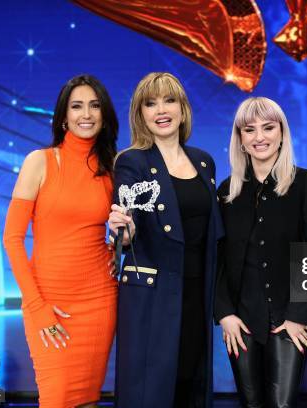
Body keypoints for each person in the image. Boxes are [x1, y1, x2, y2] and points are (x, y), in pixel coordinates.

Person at [108, 72, 223, 407]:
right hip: (154, 298)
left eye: (169, 100)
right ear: (140, 114)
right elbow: (127, 227)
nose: (161, 109)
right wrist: (123, 231)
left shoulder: (204, 161)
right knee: (152, 391)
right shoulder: (132, 161)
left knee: (191, 382)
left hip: (198, 293)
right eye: (150, 103)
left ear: (183, 109)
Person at [3, 74, 119, 407]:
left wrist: (116, 249)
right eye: (77, 106)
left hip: (99, 299)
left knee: (88, 400)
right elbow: (12, 239)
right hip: (49, 301)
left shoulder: (112, 167)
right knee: (55, 399)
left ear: (104, 113)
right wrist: (37, 307)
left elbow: (120, 223)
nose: (86, 114)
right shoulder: (39, 162)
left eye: (94, 106)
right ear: (63, 116)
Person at [214, 97, 307, 407]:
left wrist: (298, 316)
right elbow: (218, 259)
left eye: (268, 127)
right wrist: (224, 314)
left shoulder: (306, 184)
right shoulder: (226, 191)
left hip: (289, 319)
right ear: (240, 139)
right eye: (249, 130)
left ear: (281, 133)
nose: (259, 137)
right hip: (241, 321)